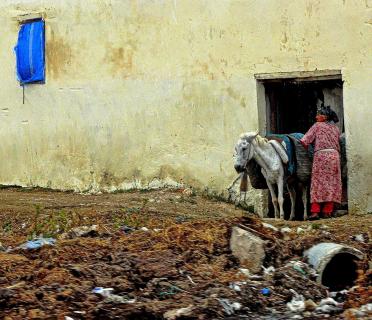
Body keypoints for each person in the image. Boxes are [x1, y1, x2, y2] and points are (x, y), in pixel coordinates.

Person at [300, 105, 342, 219]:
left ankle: (315, 211)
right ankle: (327, 211)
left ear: (324, 117)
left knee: (317, 184)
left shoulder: (317, 126)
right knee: (332, 183)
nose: (316, 116)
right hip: (334, 156)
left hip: (321, 157)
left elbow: (305, 140)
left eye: (318, 114)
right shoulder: (336, 129)